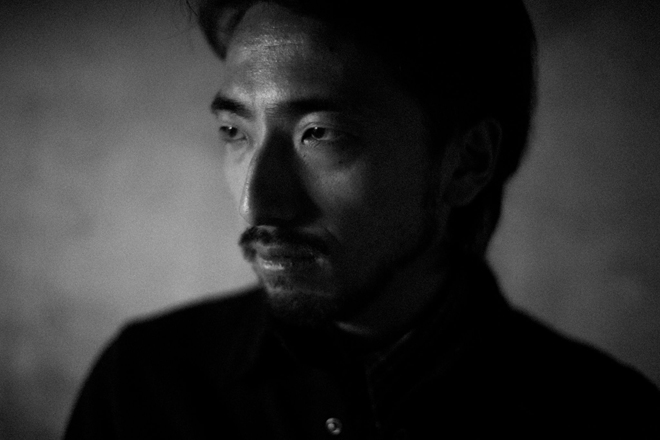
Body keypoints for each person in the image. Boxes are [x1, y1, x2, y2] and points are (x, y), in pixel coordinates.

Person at [64, 0, 660, 438]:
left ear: (467, 163)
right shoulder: (146, 385)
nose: (257, 205)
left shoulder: (605, 419)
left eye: (319, 134)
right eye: (233, 131)